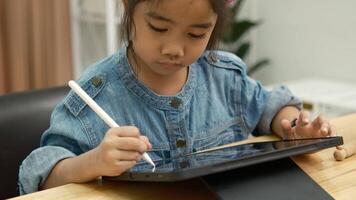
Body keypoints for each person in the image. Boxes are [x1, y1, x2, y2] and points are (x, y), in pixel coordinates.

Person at [18, 0, 336, 195]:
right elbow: (40, 176)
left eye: (196, 34)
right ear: (128, 6)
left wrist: (292, 126)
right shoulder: (96, 94)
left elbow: (269, 105)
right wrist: (93, 162)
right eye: (158, 28)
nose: (174, 49)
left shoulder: (225, 76)